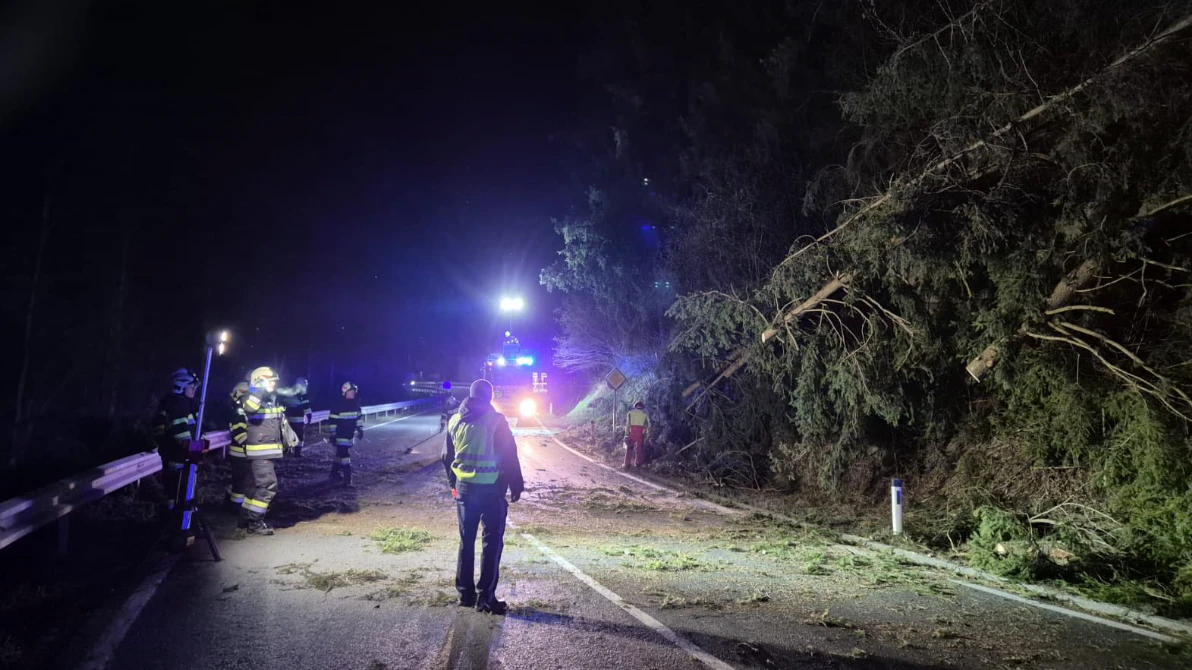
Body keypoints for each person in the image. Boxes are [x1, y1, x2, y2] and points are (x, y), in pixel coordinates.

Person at [442, 379, 524, 615]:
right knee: (491, 542)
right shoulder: (496, 421)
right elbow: (509, 456)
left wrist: (453, 485)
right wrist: (515, 484)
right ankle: (486, 597)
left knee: (466, 542)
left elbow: (446, 456)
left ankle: (464, 594)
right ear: (489, 397)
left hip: (464, 489)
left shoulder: (454, 420)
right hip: (491, 490)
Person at [236, 366, 287, 536]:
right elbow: (250, 408)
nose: (274, 384)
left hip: (267, 451)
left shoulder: (271, 399)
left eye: (274, 381)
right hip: (260, 452)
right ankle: (255, 523)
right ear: (259, 381)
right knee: (267, 487)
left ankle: (244, 520)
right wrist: (257, 390)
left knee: (253, 489)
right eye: (270, 381)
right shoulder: (250, 397)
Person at [152, 368, 199, 515]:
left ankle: (175, 519)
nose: (194, 391)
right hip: (177, 455)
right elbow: (181, 434)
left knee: (175, 491)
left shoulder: (181, 402)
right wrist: (195, 448)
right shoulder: (178, 405)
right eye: (191, 387)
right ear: (181, 387)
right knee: (178, 489)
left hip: (175, 454)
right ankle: (176, 522)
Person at [329, 381, 364, 487]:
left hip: (349, 435)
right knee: (345, 455)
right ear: (345, 392)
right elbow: (332, 421)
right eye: (351, 391)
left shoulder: (355, 405)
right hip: (340, 434)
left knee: (340, 454)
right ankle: (348, 479)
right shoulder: (338, 405)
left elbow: (358, 418)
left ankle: (333, 474)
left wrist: (360, 429)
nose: (353, 393)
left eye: (354, 391)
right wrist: (333, 434)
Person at [225, 382, 250, 510]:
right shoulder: (238, 412)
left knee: (244, 482)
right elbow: (239, 432)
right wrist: (249, 447)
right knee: (240, 483)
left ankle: (238, 505)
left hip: (243, 453)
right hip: (239, 453)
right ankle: (235, 507)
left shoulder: (243, 410)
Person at [279, 377, 312, 457]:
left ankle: (287, 452)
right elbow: (306, 408)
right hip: (298, 421)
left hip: (288, 420)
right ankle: (297, 453)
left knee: (288, 435)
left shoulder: (289, 394)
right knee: (299, 436)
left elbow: (283, 405)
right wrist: (309, 418)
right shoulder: (303, 396)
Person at [625, 401, 650, 469]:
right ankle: (638, 463)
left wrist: (626, 434)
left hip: (632, 433)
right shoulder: (645, 414)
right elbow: (648, 426)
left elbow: (628, 425)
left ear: (635, 406)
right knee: (639, 450)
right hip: (640, 434)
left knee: (629, 449)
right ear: (642, 407)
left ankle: (627, 464)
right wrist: (647, 434)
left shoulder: (630, 413)